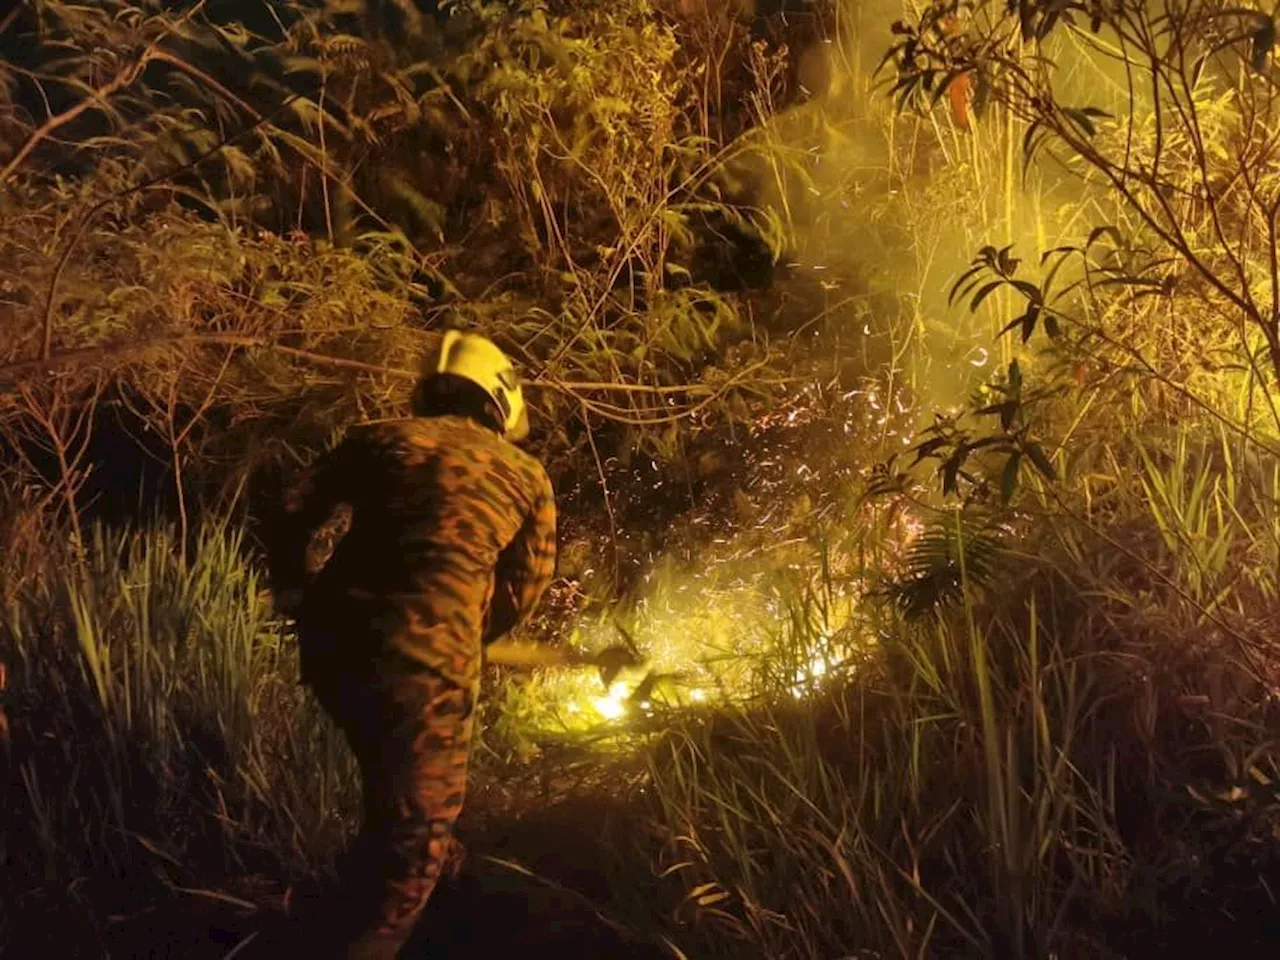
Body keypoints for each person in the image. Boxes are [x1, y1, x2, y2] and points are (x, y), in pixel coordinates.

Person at [262, 330, 638, 960]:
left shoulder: (377, 437)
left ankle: (443, 874)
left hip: (331, 647)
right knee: (415, 838)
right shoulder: (524, 474)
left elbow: (291, 508)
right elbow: (526, 586)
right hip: (424, 669)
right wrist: (466, 635)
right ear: (502, 401)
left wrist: (296, 590)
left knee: (393, 774)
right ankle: (379, 932)